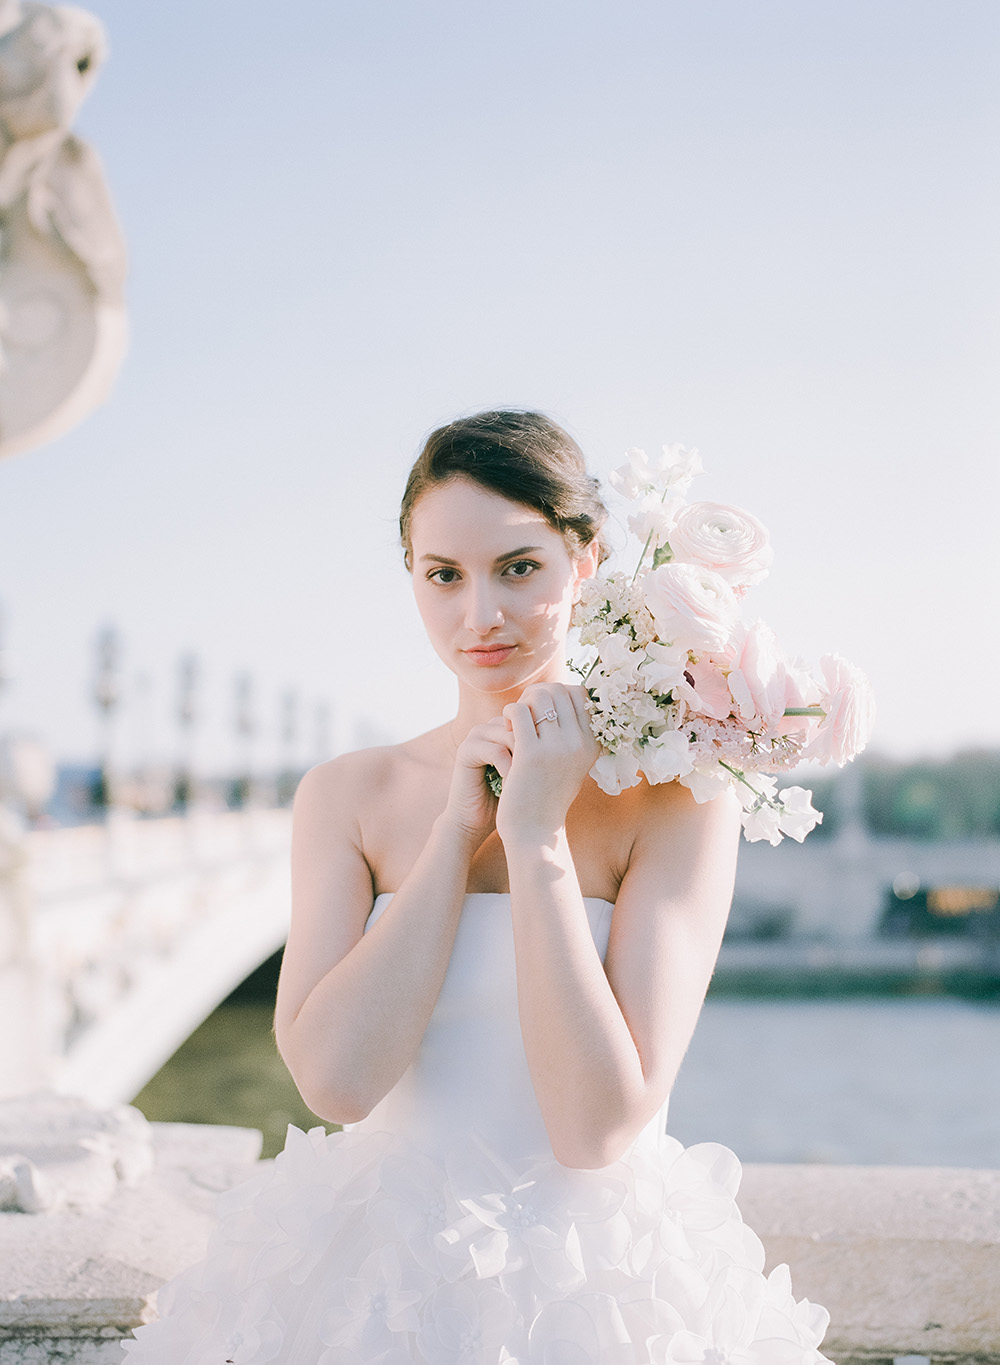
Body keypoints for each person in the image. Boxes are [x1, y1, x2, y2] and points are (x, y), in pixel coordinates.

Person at [123, 410, 830, 1365]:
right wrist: (457, 835)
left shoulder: (677, 801)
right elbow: (336, 1083)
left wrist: (535, 837)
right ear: (411, 576)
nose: (479, 615)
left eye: (519, 567)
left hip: (593, 1298)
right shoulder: (350, 795)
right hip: (368, 1288)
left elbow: (594, 1128)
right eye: (443, 576)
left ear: (584, 562)